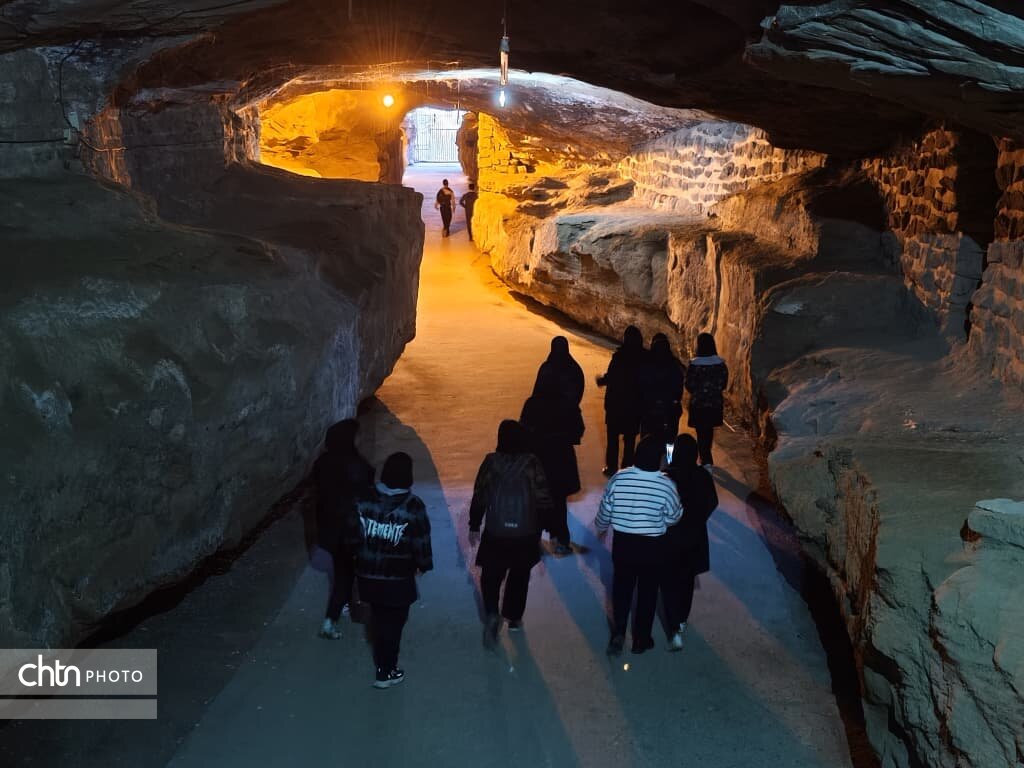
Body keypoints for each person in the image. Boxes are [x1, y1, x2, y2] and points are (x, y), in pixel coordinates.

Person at [347, 452, 433, 689]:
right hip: (398, 578)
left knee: (378, 617)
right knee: (394, 624)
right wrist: (423, 565)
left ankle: (383, 663)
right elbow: (421, 540)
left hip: (368, 574)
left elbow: (353, 533)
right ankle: (386, 670)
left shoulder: (364, 498)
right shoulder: (413, 506)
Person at [469, 420, 554, 648]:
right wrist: (547, 526)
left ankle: (491, 612)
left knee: (491, 576)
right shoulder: (532, 462)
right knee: (519, 575)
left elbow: (480, 495)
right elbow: (543, 496)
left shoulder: (491, 462)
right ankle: (514, 617)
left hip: (496, 531)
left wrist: (474, 525)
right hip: (526, 533)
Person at [595, 437, 682, 655]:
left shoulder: (619, 477)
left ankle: (619, 633)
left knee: (622, 588)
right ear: (657, 459)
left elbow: (606, 508)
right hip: (653, 546)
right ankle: (641, 639)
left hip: (624, 544)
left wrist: (601, 526)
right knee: (648, 591)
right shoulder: (666, 484)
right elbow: (674, 516)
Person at [312, 418, 375, 640]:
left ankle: (344, 605)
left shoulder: (322, 463)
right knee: (347, 575)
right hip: (351, 530)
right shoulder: (359, 466)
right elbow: (368, 498)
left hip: (330, 529)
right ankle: (332, 619)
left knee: (342, 571)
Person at [661, 434, 718, 650]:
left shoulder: (667, 476)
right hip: (693, 537)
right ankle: (682, 620)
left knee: (668, 582)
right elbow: (712, 502)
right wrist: (698, 518)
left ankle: (672, 621)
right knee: (686, 581)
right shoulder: (702, 476)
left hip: (669, 538)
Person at [520, 375, 584, 555]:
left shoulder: (532, 403)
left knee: (537, 501)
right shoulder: (567, 403)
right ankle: (560, 540)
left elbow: (522, 427)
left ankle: (533, 539)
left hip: (537, 458)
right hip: (561, 458)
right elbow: (578, 429)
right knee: (558, 502)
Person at [596, 325, 647, 475]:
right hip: (634, 405)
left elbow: (612, 376)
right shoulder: (644, 357)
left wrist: (602, 380)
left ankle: (611, 468)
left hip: (616, 404)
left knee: (613, 439)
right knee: (630, 440)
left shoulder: (619, 356)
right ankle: (627, 468)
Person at [684, 332, 729, 469]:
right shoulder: (720, 365)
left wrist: (698, 391)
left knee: (701, 432)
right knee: (708, 431)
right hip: (714, 404)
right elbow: (723, 384)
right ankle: (706, 458)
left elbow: (689, 385)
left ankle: (705, 459)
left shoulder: (695, 365)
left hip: (698, 404)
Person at [639, 333, 686, 447]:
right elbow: (679, 387)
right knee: (669, 441)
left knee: (647, 440)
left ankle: (646, 461)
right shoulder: (675, 364)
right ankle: (667, 462)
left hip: (649, 408)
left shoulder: (646, 363)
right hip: (670, 410)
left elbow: (640, 385)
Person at [532, 335, 585, 408]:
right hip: (566, 412)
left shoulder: (546, 368)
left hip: (555, 412)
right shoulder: (575, 369)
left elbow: (536, 392)